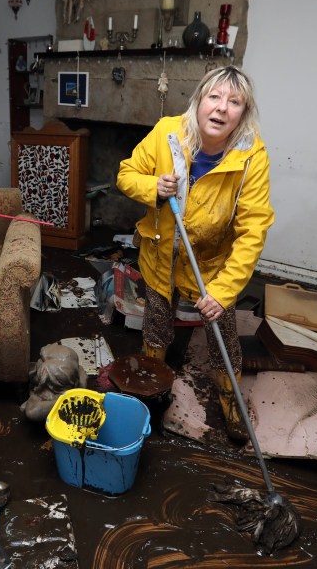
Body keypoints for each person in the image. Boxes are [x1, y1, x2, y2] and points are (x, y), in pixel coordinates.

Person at [116, 65, 274, 440]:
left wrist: (223, 291)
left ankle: (230, 401)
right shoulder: (166, 134)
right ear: (199, 101)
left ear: (244, 112)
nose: (221, 108)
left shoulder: (251, 157)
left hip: (209, 265)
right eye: (214, 97)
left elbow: (254, 230)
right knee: (157, 323)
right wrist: (153, 185)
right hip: (159, 255)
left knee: (223, 332)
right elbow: (126, 174)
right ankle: (151, 389)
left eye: (234, 101)